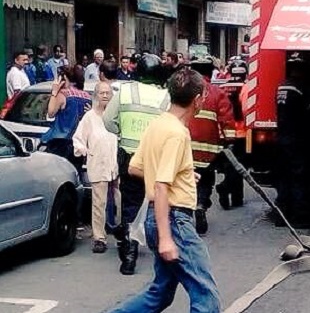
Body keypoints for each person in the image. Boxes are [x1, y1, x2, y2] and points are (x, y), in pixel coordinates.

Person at [110, 68, 221, 313]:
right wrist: (167, 238)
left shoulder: (157, 124)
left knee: (160, 293)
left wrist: (182, 174)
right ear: (198, 100)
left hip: (158, 217)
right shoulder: (177, 133)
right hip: (174, 220)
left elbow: (135, 168)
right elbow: (161, 186)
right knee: (207, 297)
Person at [103, 53, 170, 276]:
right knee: (155, 201)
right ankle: (162, 248)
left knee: (131, 204)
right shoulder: (165, 97)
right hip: (155, 159)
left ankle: (129, 255)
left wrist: (123, 135)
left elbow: (108, 121)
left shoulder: (124, 92)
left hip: (129, 157)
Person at [73, 81, 120, 254]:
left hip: (116, 162)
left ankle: (122, 232)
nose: (105, 96)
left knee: (120, 199)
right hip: (98, 161)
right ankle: (99, 238)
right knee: (99, 202)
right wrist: (84, 150)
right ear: (96, 95)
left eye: (108, 93)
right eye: (102, 93)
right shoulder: (89, 117)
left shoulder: (117, 116)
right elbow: (78, 138)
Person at [188, 60, 234, 234]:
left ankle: (186, 209)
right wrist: (230, 142)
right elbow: (226, 119)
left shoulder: (184, 90)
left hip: (185, 146)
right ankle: (201, 204)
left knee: (186, 178)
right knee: (206, 179)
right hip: (208, 149)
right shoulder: (217, 93)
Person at [274, 53, 310, 227]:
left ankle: (281, 216)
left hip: (281, 138)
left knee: (283, 178)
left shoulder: (282, 86)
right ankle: (300, 218)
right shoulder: (302, 88)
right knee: (299, 178)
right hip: (297, 139)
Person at [41, 66, 92, 168]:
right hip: (79, 142)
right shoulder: (87, 96)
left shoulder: (63, 94)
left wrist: (54, 92)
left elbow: (51, 112)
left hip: (60, 142)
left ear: (64, 78)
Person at [218, 58, 249, 210]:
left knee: (228, 164)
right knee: (239, 165)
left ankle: (236, 197)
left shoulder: (222, 88)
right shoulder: (246, 88)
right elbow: (246, 110)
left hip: (224, 133)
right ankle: (229, 190)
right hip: (241, 133)